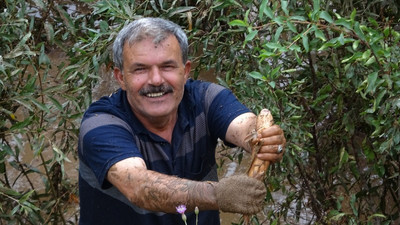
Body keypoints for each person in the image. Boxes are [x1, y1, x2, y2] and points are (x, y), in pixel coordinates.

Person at [78, 17, 286, 225]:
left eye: (167, 66)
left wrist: (261, 138)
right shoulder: (101, 123)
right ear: (121, 77)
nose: (156, 80)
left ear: (185, 71)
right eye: (140, 69)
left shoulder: (206, 99)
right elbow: (138, 186)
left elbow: (244, 125)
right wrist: (218, 194)